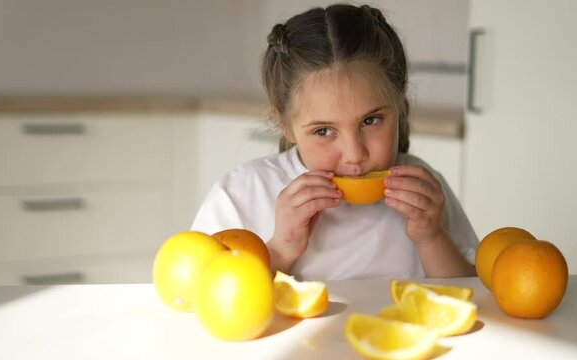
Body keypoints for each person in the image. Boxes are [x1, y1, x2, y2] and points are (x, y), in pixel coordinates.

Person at [191, 4, 477, 280]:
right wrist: (280, 250)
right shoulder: (241, 194)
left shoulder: (424, 192)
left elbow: (474, 297)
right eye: (324, 131)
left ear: (399, 105)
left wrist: (431, 237)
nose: (354, 155)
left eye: (371, 120)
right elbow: (204, 300)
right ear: (285, 125)